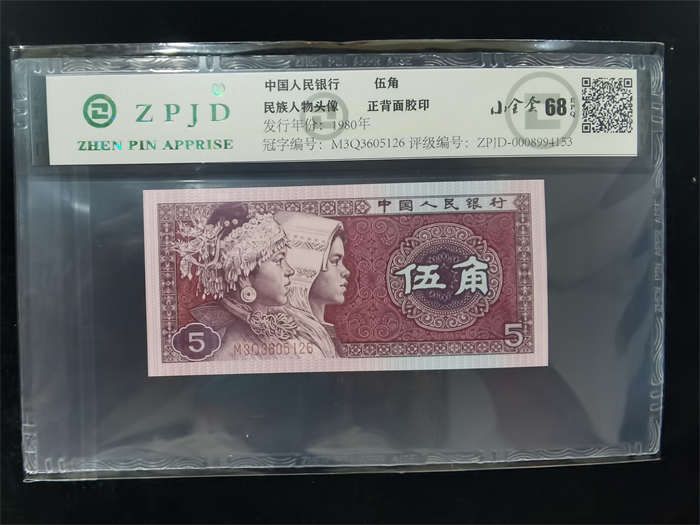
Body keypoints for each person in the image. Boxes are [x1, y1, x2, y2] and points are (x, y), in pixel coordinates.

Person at [173, 202, 321, 360]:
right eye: (278, 260)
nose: (290, 271)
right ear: (244, 276)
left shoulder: (292, 322)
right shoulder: (230, 346)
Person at [275, 212, 350, 357]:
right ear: (307, 265)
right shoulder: (291, 343)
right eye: (335, 261)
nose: (346, 271)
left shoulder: (320, 333)